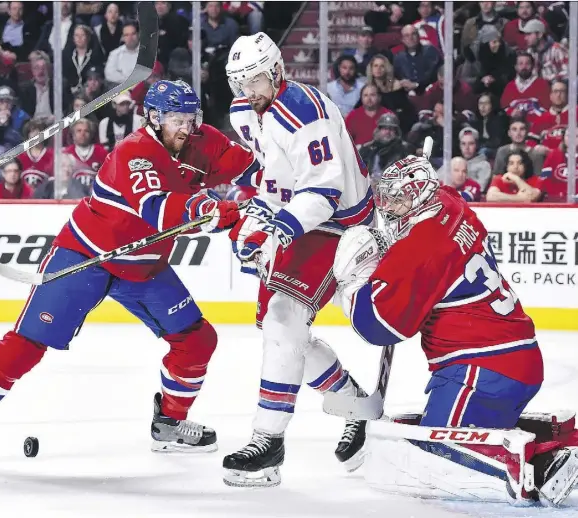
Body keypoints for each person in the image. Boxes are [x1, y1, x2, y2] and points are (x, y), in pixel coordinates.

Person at [0, 81, 257, 455]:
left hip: (142, 266)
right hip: (85, 255)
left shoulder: (204, 142)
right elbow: (156, 208)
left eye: (189, 117)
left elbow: (256, 172)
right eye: (175, 118)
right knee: (27, 343)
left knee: (197, 340)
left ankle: (170, 424)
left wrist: (280, 192)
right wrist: (202, 210)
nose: (184, 126)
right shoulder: (135, 153)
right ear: (155, 118)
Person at [332, 152, 578, 506]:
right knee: (438, 438)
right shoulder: (449, 201)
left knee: (435, 456)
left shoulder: (423, 248)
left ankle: (540, 464)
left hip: (481, 373)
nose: (390, 208)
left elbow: (381, 328)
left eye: (398, 200)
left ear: (418, 197)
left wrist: (352, 284)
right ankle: (556, 442)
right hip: (513, 357)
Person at [223, 32, 373, 488]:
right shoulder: (245, 112)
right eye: (239, 85)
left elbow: (323, 193)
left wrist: (274, 228)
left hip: (337, 225)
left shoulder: (305, 112)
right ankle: (355, 405)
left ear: (276, 71)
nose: (248, 93)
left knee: (284, 319)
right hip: (294, 220)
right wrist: (250, 210)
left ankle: (267, 443)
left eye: (254, 82)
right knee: (277, 328)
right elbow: (269, 170)